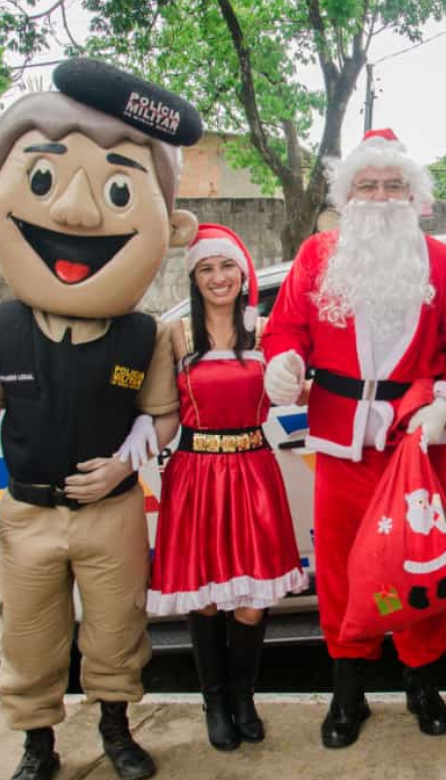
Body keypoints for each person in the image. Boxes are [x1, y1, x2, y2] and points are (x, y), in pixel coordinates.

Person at [0, 58, 202, 780]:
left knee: (117, 630)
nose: (73, 212)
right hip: (27, 514)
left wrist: (124, 464)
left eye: (119, 190)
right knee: (28, 637)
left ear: (171, 227)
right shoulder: (0, 327)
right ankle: (38, 745)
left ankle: (117, 730)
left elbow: (162, 420)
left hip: (111, 513)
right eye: (42, 181)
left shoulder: (144, 334)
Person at [261, 129, 446, 748]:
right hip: (340, 442)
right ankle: (348, 692)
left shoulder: (445, 264)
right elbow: (285, 331)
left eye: (393, 186)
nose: (380, 196)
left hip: (415, 443)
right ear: (347, 195)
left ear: (413, 195)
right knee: (341, 571)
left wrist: (444, 404)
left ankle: (422, 684)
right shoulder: (317, 256)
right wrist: (282, 363)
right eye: (368, 185)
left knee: (420, 560)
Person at [145, 224, 308, 751]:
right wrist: (131, 446)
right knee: (207, 600)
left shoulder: (267, 333)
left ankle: (244, 698)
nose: (218, 278)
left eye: (226, 267)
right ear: (194, 278)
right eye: (206, 269)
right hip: (195, 474)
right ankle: (214, 703)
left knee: (251, 603)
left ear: (243, 274)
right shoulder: (176, 335)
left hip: (254, 471)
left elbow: (297, 391)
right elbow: (160, 409)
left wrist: (304, 386)